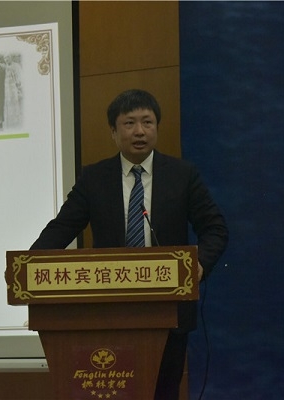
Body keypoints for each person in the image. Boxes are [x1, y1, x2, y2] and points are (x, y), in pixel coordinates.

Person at [30, 89, 228, 400]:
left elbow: (215, 228)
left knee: (163, 393)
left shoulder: (182, 175)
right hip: (109, 311)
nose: (139, 131)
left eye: (147, 122)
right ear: (113, 131)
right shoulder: (94, 178)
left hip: (169, 310)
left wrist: (199, 264)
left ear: (157, 128)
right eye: (129, 123)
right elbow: (62, 228)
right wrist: (26, 266)